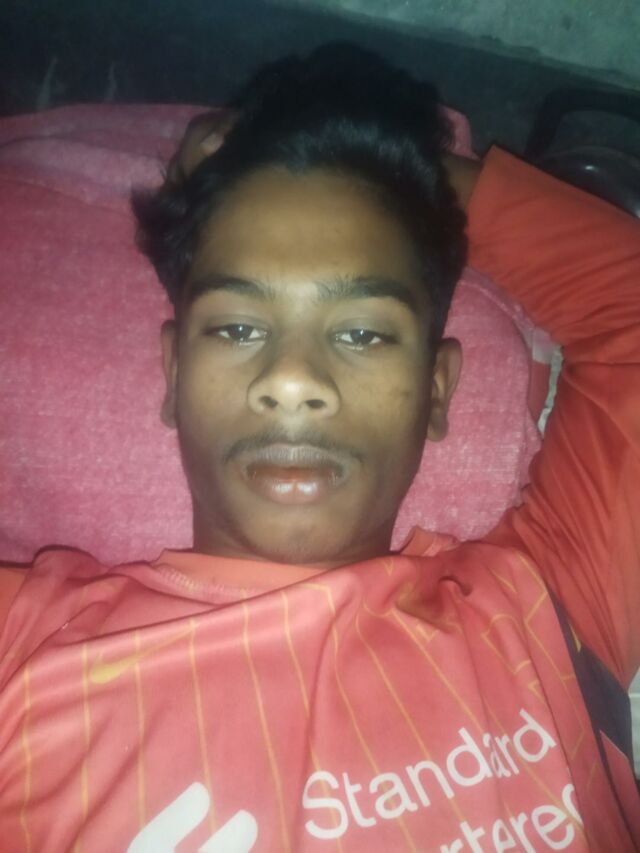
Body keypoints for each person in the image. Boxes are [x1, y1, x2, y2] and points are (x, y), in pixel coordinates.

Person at [0, 43, 638, 852]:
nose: (293, 380)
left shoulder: (548, 608)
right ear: (173, 374)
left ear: (437, 390)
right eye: (237, 327)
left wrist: (392, 169)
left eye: (364, 332)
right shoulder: (25, 649)